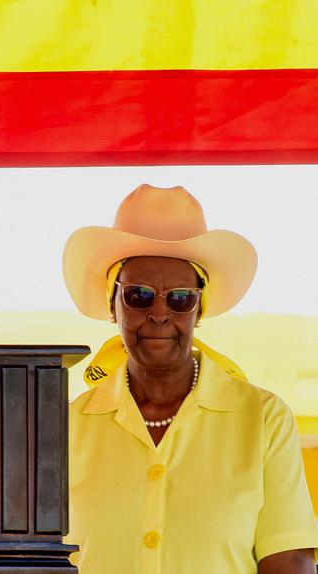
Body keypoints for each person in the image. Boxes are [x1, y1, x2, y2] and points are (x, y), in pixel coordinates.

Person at [61, 184, 317, 573]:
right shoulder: (65, 426)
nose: (159, 314)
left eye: (181, 298)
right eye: (139, 295)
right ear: (113, 307)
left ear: (199, 310)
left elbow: (290, 560)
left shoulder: (263, 418)